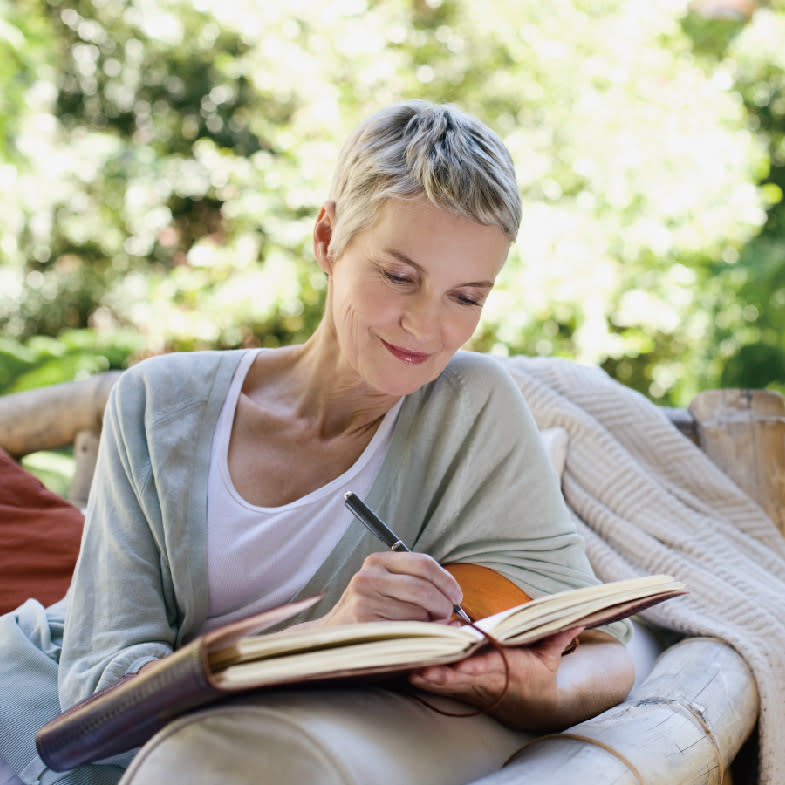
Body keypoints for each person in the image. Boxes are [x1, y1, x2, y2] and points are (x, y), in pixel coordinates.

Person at [0, 100, 634, 785]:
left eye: (466, 297)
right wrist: (326, 637)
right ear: (327, 237)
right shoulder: (158, 402)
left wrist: (528, 690)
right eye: (398, 276)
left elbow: (605, 649)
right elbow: (96, 694)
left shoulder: (469, 409)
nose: (425, 325)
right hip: (37, 707)